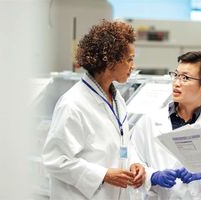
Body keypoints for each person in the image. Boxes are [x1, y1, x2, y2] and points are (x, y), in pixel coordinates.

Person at [42, 20, 145, 200]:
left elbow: (123, 142)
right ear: (110, 60)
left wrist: (135, 163)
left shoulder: (117, 99)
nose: (132, 66)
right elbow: (55, 160)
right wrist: (103, 174)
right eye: (129, 59)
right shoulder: (73, 104)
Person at [131, 51, 201, 200]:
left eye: (185, 78)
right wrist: (153, 176)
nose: (177, 83)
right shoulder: (148, 122)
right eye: (176, 75)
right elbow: (133, 163)